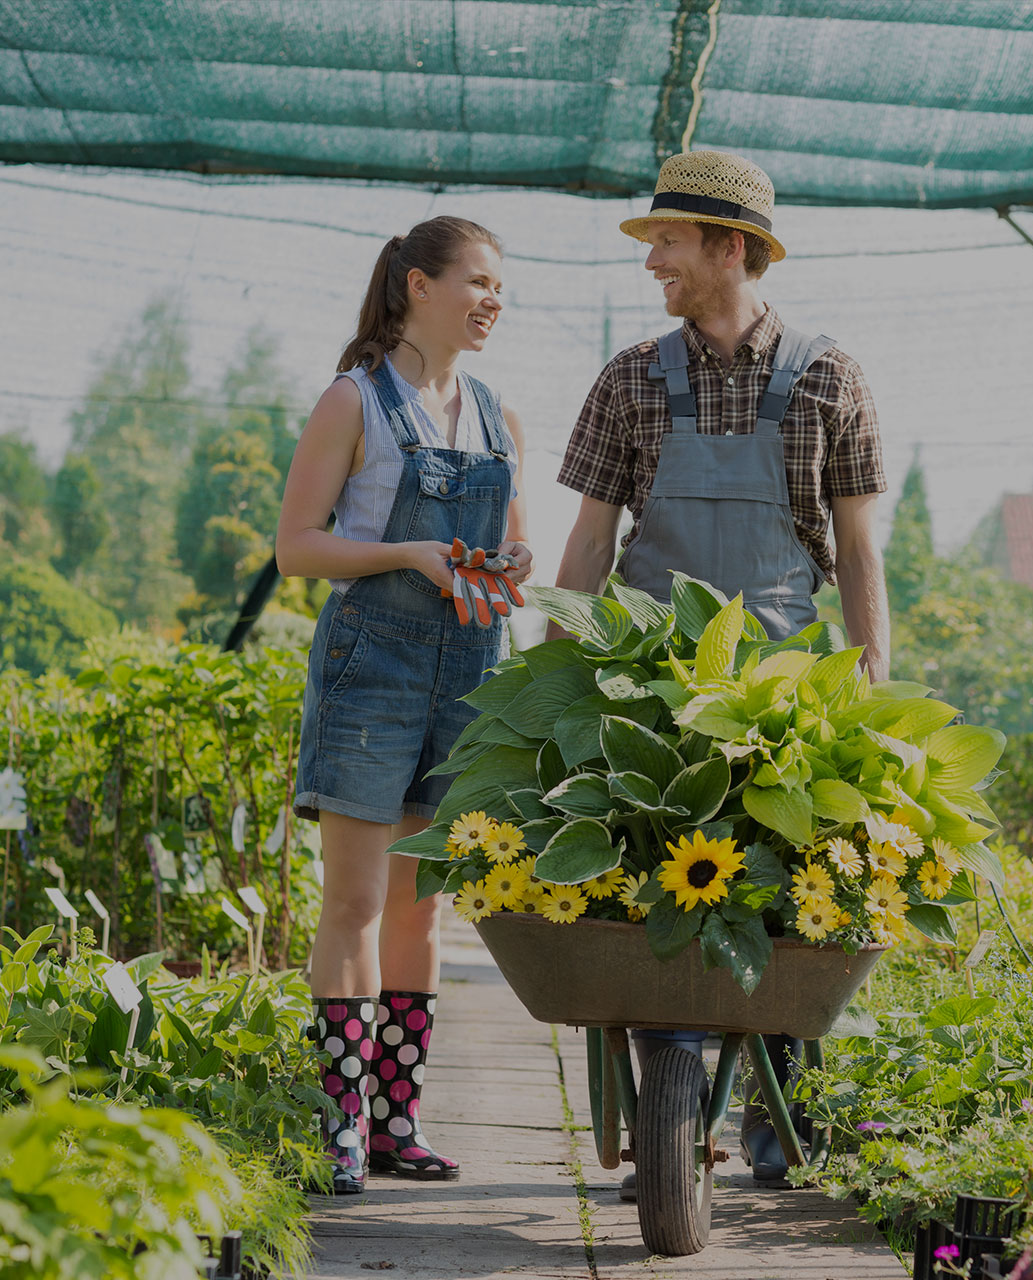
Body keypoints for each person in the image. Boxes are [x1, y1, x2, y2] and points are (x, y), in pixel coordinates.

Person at [553, 150, 889, 1191]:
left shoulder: (830, 376)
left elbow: (860, 546)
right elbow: (589, 547)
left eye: (667, 240)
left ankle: (780, 1116)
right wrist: (556, 683)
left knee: (792, 892)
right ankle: (672, 1105)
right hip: (648, 685)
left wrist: (872, 680)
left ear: (729, 247)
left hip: (783, 686)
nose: (652, 259)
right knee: (655, 870)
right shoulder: (629, 379)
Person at [275, 216, 533, 1195]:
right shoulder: (356, 400)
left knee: (423, 906)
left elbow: (519, 546)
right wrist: (405, 552)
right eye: (477, 281)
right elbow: (298, 547)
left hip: (468, 663)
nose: (492, 300)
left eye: (501, 286)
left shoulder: (497, 412)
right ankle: (338, 1122)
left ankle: (396, 1120)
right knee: (354, 898)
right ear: (417, 284)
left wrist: (509, 565)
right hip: (373, 661)